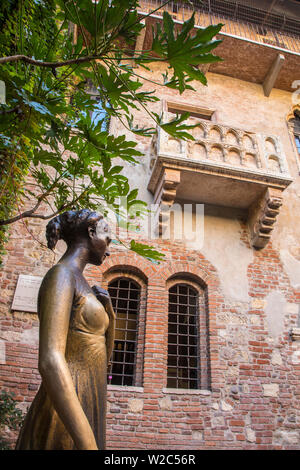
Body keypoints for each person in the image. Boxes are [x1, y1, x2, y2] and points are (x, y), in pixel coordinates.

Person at [15, 209, 116, 450]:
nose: (109, 248)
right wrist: (86, 441)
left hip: (89, 395)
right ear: (91, 233)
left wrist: (110, 312)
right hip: (66, 402)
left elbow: (105, 356)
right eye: (107, 238)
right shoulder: (61, 275)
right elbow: (50, 359)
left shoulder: (82, 283)